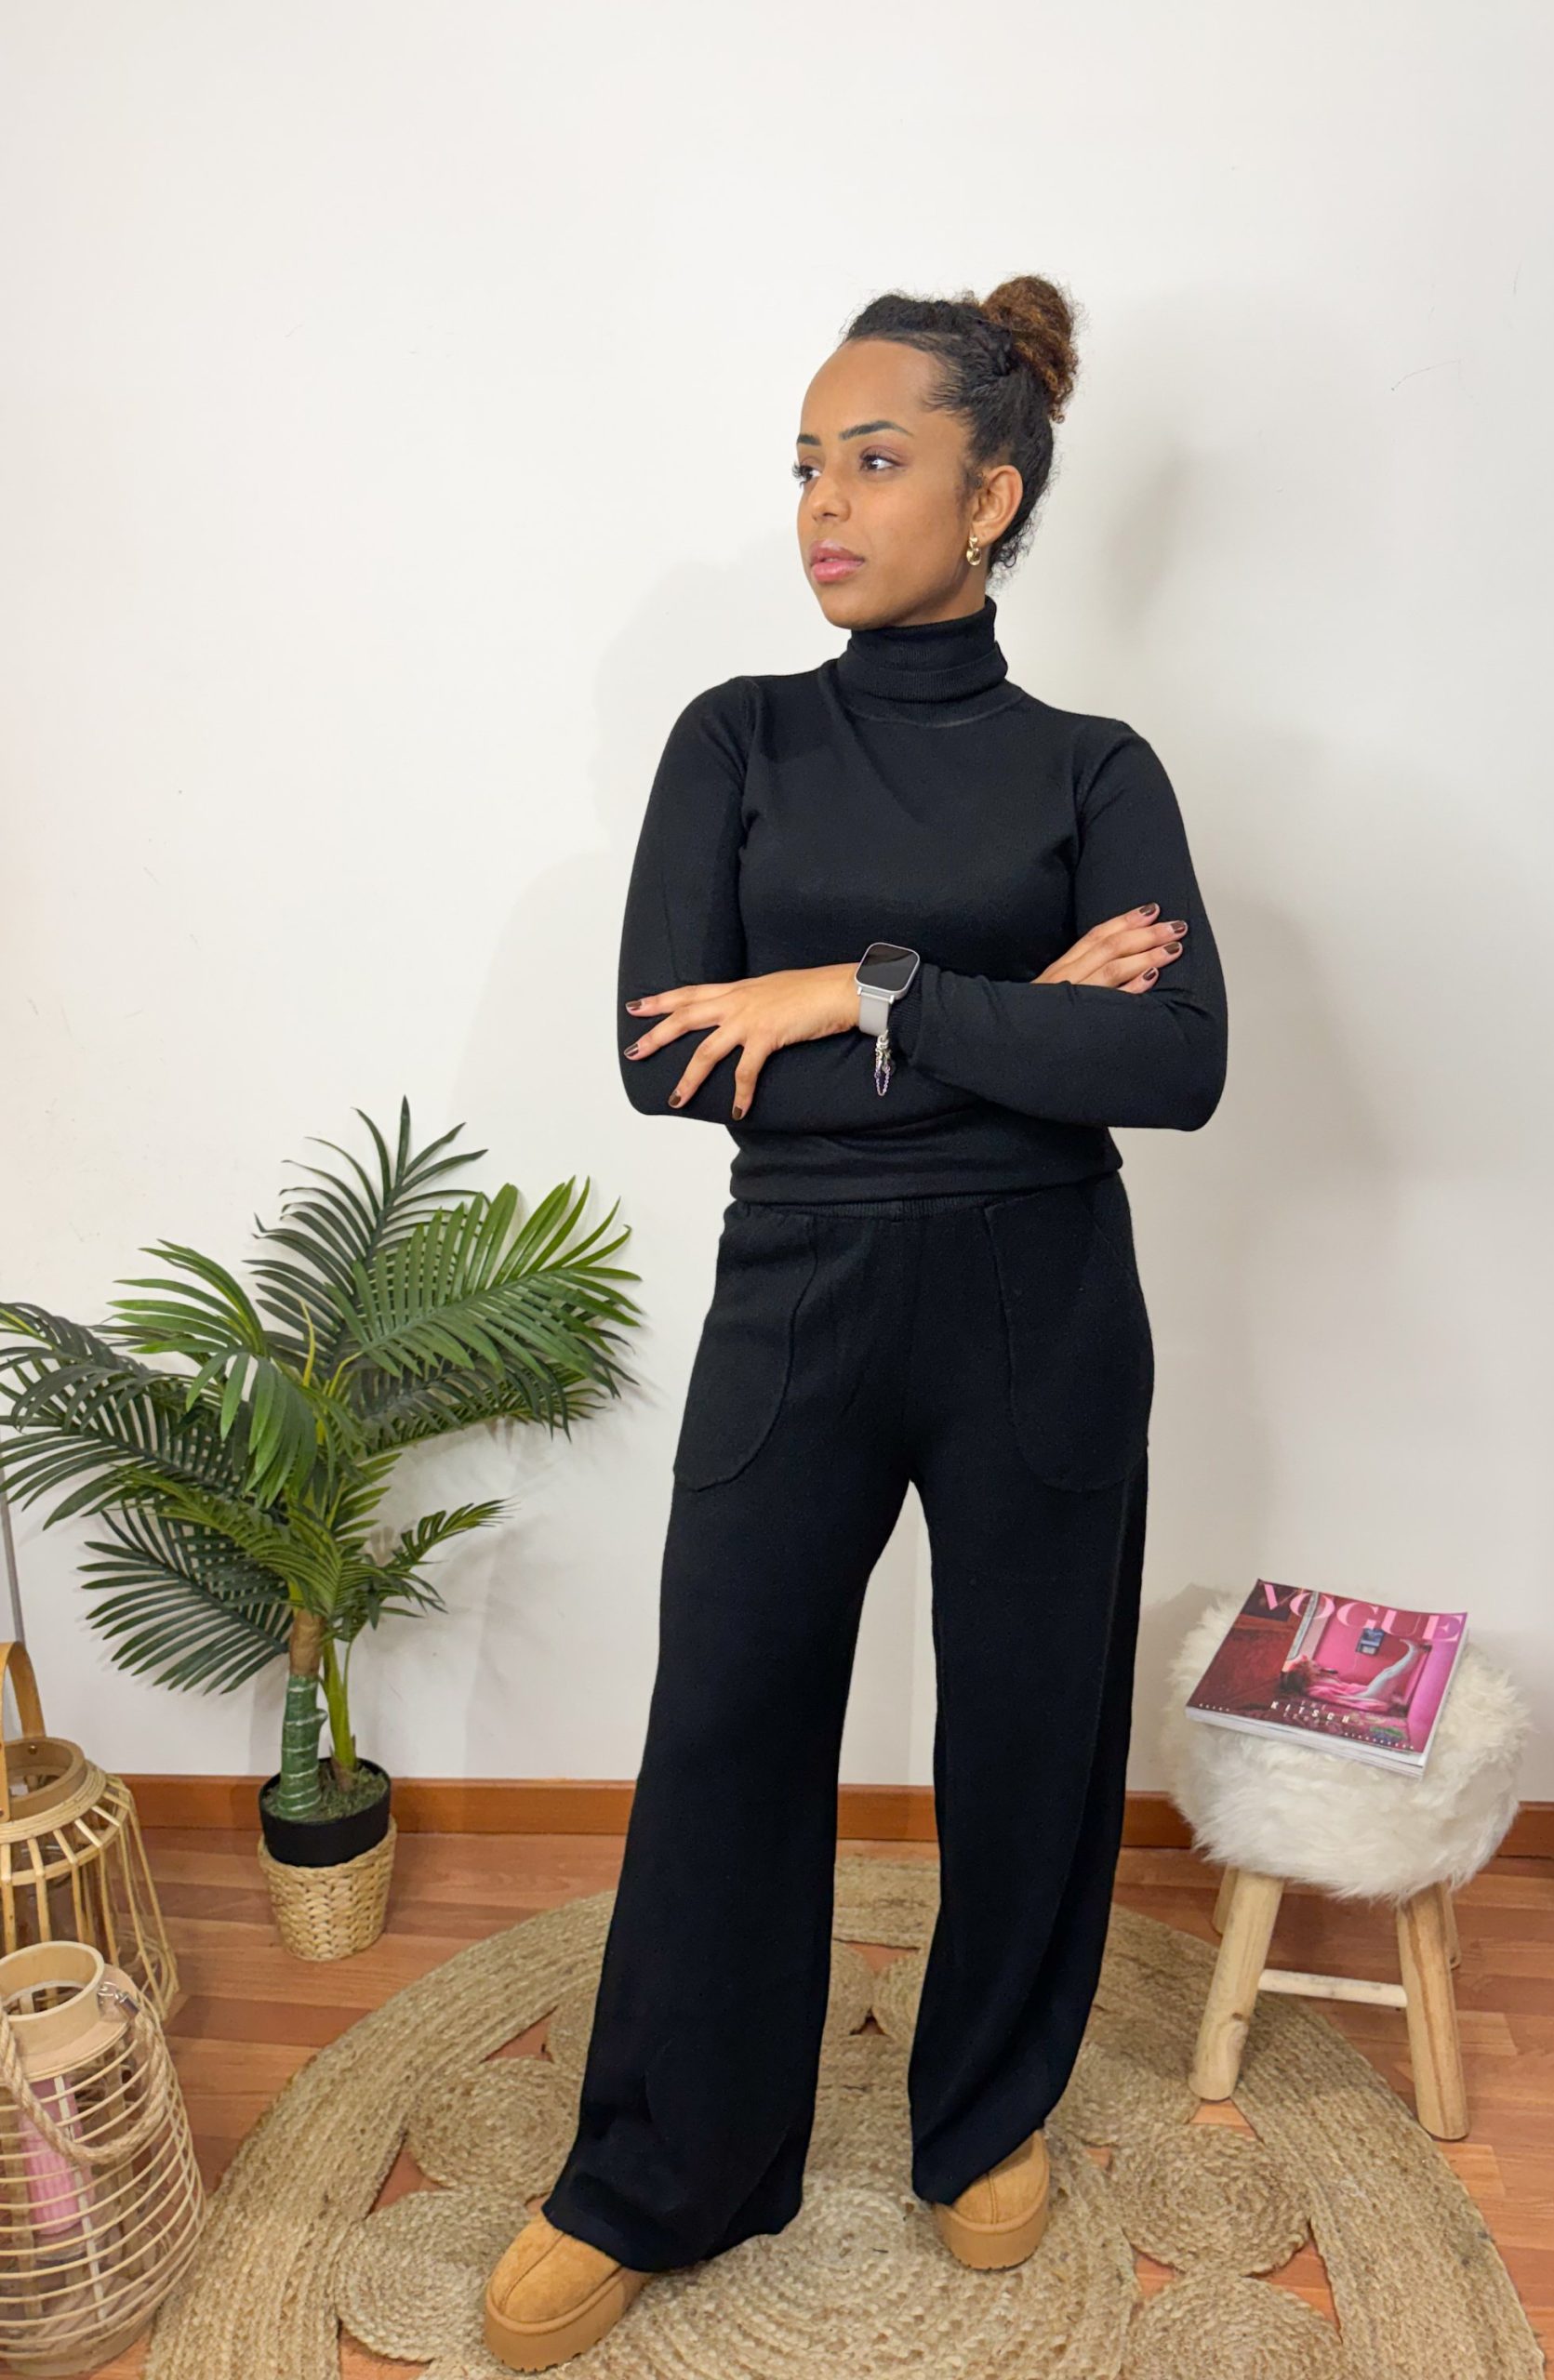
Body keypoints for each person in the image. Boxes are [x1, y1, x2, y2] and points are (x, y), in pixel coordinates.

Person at [482, 273, 1228, 2370]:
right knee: (727, 1719)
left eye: (874, 460)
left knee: (1025, 1731)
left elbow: (1174, 1063)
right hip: (797, 1296)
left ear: (991, 497)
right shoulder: (737, 736)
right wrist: (1005, 1015)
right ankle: (664, 2167)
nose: (822, 502)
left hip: (1041, 1309)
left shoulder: (1094, 766)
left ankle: (983, 2110)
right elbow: (669, 1060)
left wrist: (846, 992)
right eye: (807, 462)